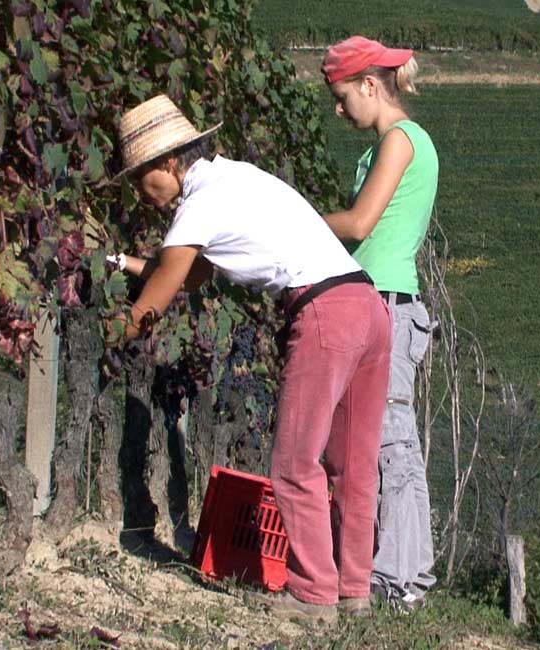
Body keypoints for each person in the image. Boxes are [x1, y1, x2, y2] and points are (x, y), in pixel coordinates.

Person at [108, 94, 392, 624]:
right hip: (366, 306)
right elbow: (189, 274)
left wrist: (113, 335)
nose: (137, 191)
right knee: (352, 465)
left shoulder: (198, 206)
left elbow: (161, 296)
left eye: (138, 176)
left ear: (169, 163)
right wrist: (121, 260)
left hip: (324, 311)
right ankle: (354, 592)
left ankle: (312, 596)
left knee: (293, 461)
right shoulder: (233, 177)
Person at [321, 36, 440, 611]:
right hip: (376, 303)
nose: (339, 110)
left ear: (371, 85)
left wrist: (302, 220)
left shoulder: (400, 141)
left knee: (391, 441)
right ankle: (385, 573)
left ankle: (403, 581)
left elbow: (362, 221)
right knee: (372, 441)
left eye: (343, 97)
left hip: (391, 305)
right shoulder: (380, 149)